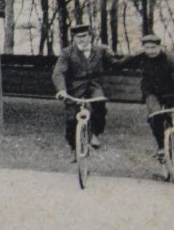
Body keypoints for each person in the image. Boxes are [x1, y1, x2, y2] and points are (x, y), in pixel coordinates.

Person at [52, 23, 127, 154]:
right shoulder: (67, 53)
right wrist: (62, 90)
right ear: (74, 39)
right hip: (74, 88)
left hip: (94, 86)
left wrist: (139, 54)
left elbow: (117, 63)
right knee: (71, 119)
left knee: (99, 104)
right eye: (77, 37)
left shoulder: (100, 50)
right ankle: (74, 149)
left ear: (91, 36)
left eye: (84, 36)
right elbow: (59, 72)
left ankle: (95, 134)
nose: (81, 39)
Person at [134, 32, 174, 161]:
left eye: (153, 48)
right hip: (152, 93)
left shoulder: (171, 61)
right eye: (147, 48)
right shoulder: (142, 58)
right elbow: (120, 62)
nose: (150, 51)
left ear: (160, 47)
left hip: (172, 94)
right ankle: (161, 147)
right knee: (155, 115)